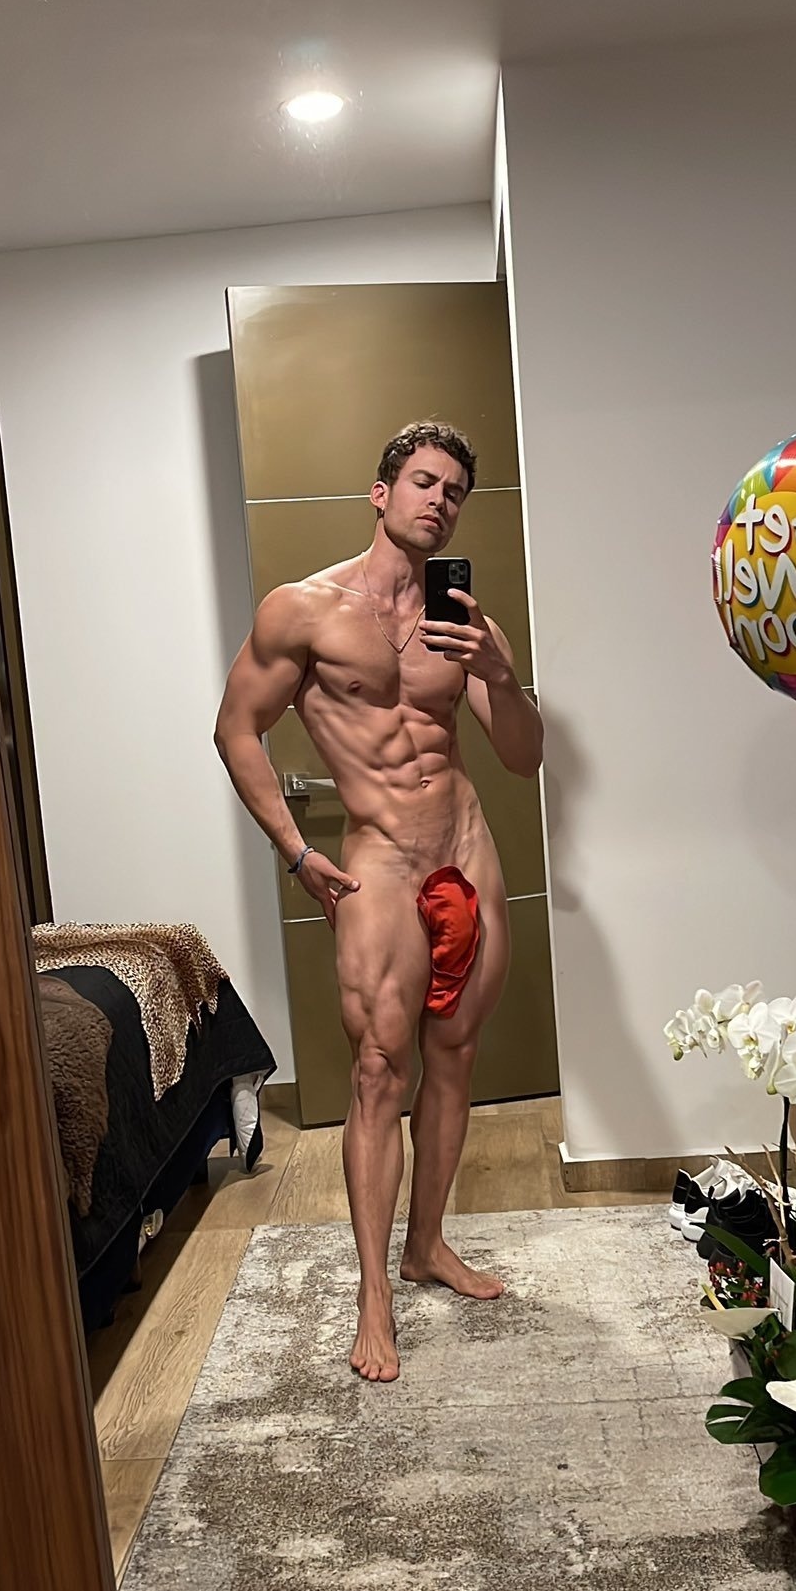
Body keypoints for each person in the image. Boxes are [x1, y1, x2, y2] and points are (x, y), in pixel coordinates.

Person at [214, 421, 544, 1382]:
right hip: (381, 859)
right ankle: (373, 1296)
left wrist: (499, 673)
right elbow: (236, 728)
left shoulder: (466, 624)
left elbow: (522, 755)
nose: (439, 501)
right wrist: (295, 849)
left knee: (457, 1053)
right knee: (376, 1069)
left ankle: (427, 1245)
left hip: (466, 845)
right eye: (424, 482)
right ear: (382, 492)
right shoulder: (303, 611)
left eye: (455, 491)